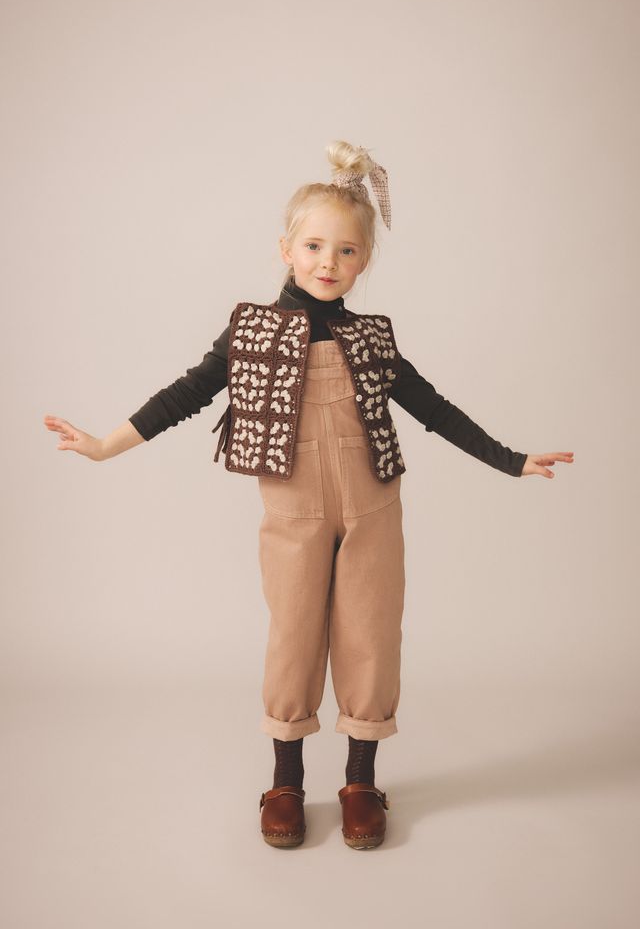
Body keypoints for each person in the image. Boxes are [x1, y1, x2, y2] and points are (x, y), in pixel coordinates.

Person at [43, 140, 574, 851]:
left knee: (371, 638)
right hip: (293, 511)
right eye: (315, 246)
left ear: (364, 261)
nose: (329, 262)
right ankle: (286, 782)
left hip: (373, 506)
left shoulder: (372, 339)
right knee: (293, 636)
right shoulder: (252, 330)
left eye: (347, 250)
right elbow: (187, 393)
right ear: (286, 249)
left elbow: (433, 408)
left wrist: (512, 460)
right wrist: (106, 444)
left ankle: (360, 783)